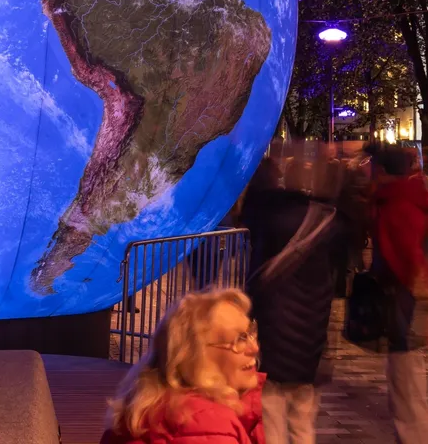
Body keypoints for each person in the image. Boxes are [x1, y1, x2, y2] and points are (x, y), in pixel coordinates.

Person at [241, 155, 342, 444]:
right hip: (310, 342)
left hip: (274, 340)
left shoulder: (269, 225)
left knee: (271, 412)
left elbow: (257, 284)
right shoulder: (324, 225)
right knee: (303, 418)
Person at [371, 145, 428, 444]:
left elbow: (412, 259)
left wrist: (425, 304)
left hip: (405, 306)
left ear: (383, 171)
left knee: (407, 390)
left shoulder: (398, 205)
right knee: (406, 386)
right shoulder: (407, 199)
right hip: (407, 305)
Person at [101, 288, 264, 444]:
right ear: (197, 354)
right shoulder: (204, 422)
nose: (254, 348)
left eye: (251, 333)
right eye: (240, 339)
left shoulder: (151, 397)